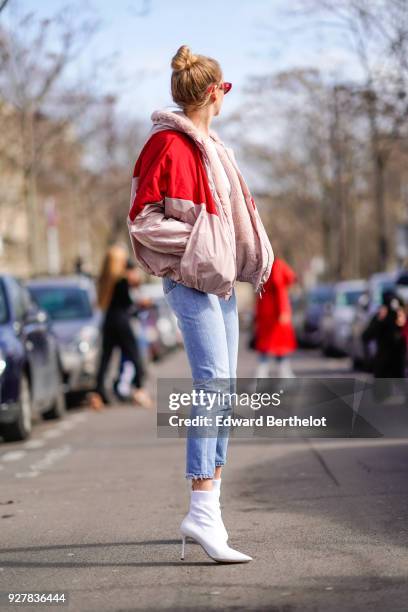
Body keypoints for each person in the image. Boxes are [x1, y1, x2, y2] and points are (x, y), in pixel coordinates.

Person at [127, 45, 274, 563]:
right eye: (226, 89)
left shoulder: (215, 147)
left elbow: (234, 218)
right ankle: (201, 506)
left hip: (222, 281)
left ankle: (210, 507)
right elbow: (142, 220)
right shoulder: (167, 145)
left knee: (225, 387)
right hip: (191, 279)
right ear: (214, 92)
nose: (226, 96)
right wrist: (200, 245)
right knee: (211, 380)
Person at [88, 245, 153, 410]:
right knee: (134, 355)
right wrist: (141, 302)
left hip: (108, 321)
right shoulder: (123, 279)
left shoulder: (104, 279)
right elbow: (128, 302)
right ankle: (139, 389)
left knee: (105, 358)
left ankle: (97, 393)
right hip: (122, 321)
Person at [253, 257, 297, 379]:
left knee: (266, 345)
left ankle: (262, 373)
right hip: (276, 315)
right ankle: (284, 374)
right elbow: (280, 291)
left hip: (265, 312)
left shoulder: (266, 266)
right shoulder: (278, 267)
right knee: (280, 345)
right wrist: (283, 311)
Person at [362, 290, 407, 400]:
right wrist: (380, 320)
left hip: (398, 355)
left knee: (399, 375)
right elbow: (366, 335)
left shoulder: (401, 316)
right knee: (381, 385)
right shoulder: (380, 316)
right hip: (384, 355)